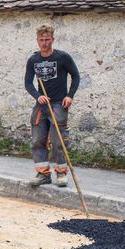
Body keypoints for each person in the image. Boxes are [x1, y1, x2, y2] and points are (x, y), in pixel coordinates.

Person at [24, 25, 80, 187]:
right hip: (41, 106)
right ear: (37, 40)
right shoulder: (33, 60)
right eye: (41, 40)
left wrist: (69, 96)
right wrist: (38, 96)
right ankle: (43, 174)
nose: (44, 43)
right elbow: (28, 83)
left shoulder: (63, 57)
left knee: (58, 141)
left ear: (52, 40)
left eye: (47, 39)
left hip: (58, 104)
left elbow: (76, 76)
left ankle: (61, 173)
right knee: (37, 140)